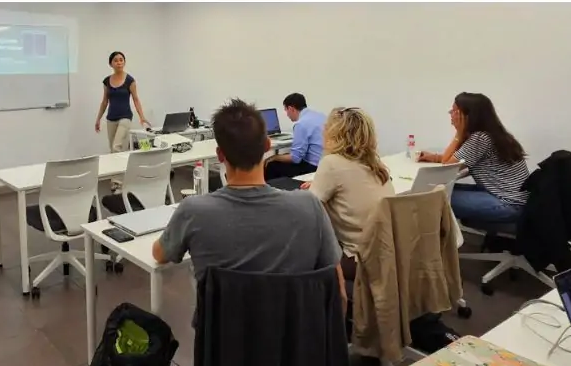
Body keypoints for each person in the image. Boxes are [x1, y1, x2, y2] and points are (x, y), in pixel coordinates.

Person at [153, 98, 344, 321]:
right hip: (296, 338)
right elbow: (338, 292)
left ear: (220, 155)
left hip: (222, 339)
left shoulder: (193, 211)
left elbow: (159, 254)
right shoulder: (309, 206)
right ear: (267, 145)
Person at [300, 107, 394, 280]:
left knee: (301, 255)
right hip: (387, 256)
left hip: (358, 260)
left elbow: (309, 211)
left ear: (334, 134)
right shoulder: (375, 164)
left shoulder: (331, 163)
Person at [417, 92, 530, 224]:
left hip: (509, 204)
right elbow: (457, 159)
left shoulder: (481, 138)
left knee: (433, 197)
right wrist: (434, 157)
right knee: (437, 190)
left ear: (467, 116)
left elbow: (448, 166)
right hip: (510, 199)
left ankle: (434, 236)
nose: (450, 114)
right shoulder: (491, 134)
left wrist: (459, 134)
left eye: (454, 111)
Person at [94, 51, 151, 152]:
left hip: (125, 117)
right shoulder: (107, 81)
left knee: (116, 146)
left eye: (121, 60)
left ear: (124, 62)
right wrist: (98, 119)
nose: (119, 63)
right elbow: (104, 102)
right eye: (116, 61)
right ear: (111, 64)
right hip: (111, 118)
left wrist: (142, 117)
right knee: (112, 149)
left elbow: (136, 99)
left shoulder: (130, 80)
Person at [263, 92, 326, 179]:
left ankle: (273, 187)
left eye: (286, 110)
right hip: (325, 163)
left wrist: (274, 157)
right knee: (284, 156)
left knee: (271, 165)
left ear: (291, 108)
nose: (287, 114)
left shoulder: (301, 124)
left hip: (313, 167)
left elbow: (295, 158)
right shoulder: (320, 116)